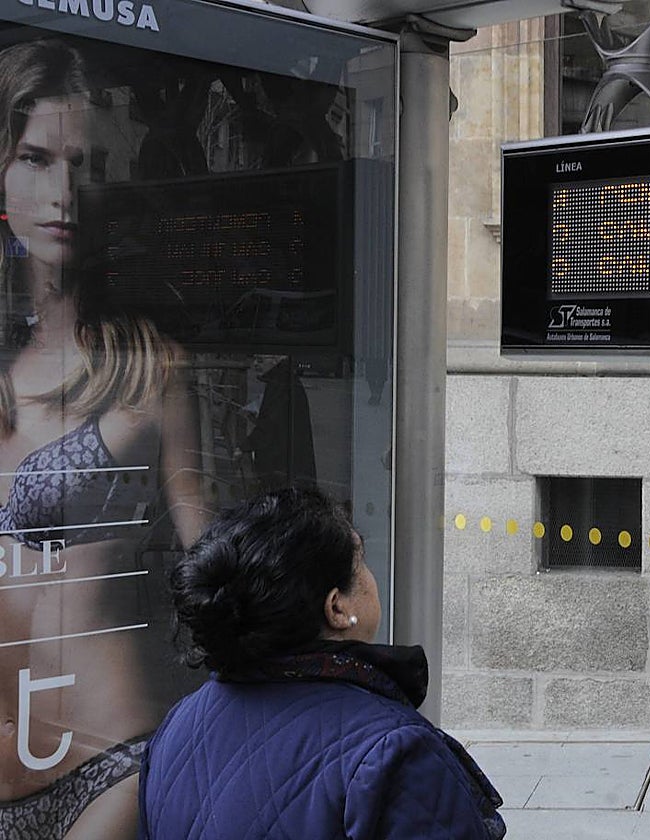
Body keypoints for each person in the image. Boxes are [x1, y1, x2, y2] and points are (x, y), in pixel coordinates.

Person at [0, 39, 210, 839]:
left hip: (109, 755)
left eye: (84, 165)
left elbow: (205, 545)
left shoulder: (148, 369)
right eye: (35, 158)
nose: (62, 193)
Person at [138, 487, 505, 839]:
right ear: (337, 608)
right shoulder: (396, 751)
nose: (371, 578)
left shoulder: (178, 728)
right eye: (361, 563)